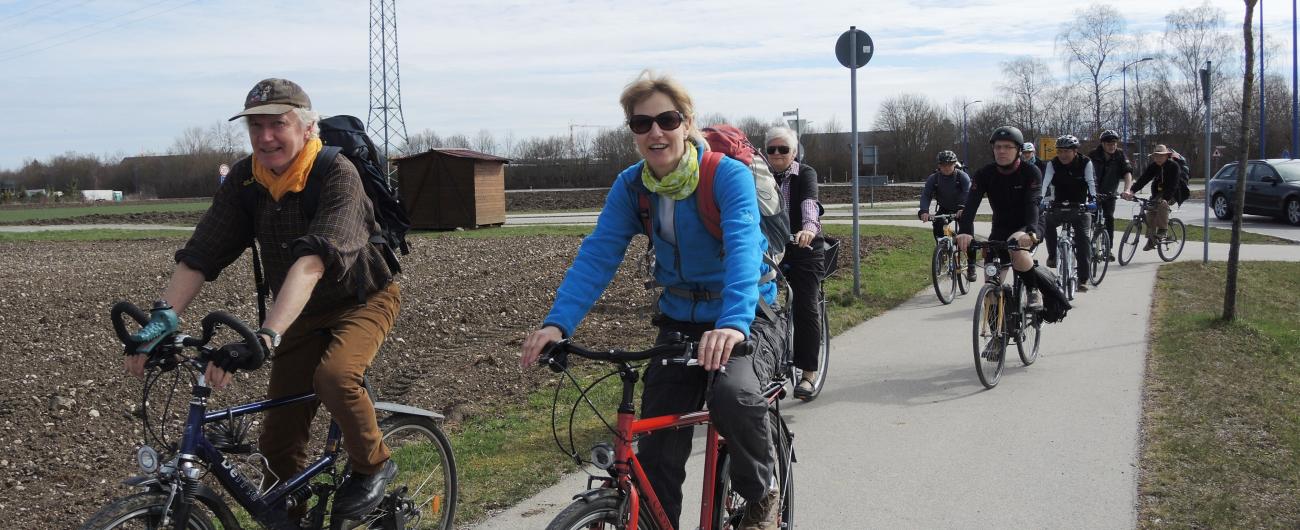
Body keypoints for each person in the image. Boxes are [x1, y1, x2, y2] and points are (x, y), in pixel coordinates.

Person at [124, 78, 401, 521]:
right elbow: (202, 253)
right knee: (276, 445)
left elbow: (313, 261)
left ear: (307, 128)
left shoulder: (336, 174)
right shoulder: (245, 180)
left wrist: (268, 334)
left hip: (360, 299)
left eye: (278, 124)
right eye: (256, 126)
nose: (265, 136)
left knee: (334, 377)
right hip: (299, 313)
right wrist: (163, 319)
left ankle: (374, 466)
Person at [519, 71, 783, 530]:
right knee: (658, 450)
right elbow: (598, 255)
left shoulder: (725, 176)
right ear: (633, 133)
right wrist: (558, 324)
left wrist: (733, 323)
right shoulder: (632, 187)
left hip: (745, 315)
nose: (655, 132)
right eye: (642, 124)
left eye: (667, 119)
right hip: (679, 322)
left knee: (734, 396)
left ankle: (761, 496)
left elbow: (744, 248)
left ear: (687, 123)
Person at [956, 126, 1046, 310]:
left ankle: (1032, 290)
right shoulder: (984, 174)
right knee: (991, 284)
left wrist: (1031, 231)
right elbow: (971, 204)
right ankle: (995, 333)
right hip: (1000, 228)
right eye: (997, 147)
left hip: (1029, 224)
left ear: (1019, 150)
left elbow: (1032, 203)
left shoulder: (1031, 172)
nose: (1001, 151)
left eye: (1007, 147)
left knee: (1016, 245)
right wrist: (965, 231)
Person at [765, 126, 824, 399]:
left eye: (783, 149)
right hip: (771, 248)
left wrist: (809, 228)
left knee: (805, 305)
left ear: (795, 153)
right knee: (757, 305)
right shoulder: (759, 176)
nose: (777, 154)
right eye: (771, 149)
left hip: (804, 246)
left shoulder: (806, 173)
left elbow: (810, 203)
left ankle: (808, 372)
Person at [1040, 134, 1095, 292]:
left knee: (1083, 239)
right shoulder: (1053, 164)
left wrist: (1093, 201)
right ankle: (1052, 256)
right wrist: (1041, 201)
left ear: (1075, 151)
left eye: (1066, 151)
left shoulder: (1085, 162)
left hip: (1080, 207)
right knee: (1047, 222)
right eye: (1060, 151)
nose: (1063, 155)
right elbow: (1045, 183)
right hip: (1059, 205)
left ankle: (1083, 279)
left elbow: (1091, 182)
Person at [918, 149, 977, 282]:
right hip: (945, 207)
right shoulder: (934, 178)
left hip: (962, 208)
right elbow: (926, 195)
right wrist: (924, 211)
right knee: (937, 226)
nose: (946, 167)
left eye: (949, 164)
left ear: (954, 164)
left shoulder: (962, 176)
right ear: (939, 165)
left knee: (968, 235)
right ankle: (942, 250)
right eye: (943, 165)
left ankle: (971, 266)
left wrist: (963, 208)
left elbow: (968, 193)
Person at [1087, 129, 1134, 260]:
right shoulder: (1093, 155)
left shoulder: (1120, 155)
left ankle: (1108, 249)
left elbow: (1127, 173)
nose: (1112, 146)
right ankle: (1089, 245)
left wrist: (1127, 190)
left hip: (1109, 194)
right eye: (1108, 143)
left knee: (1109, 219)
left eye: (1114, 143)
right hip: (1093, 193)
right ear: (1102, 144)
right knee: (1090, 218)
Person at [1124, 144, 1181, 250]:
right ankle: (1151, 240)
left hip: (1173, 193)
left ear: (1166, 156)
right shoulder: (1154, 166)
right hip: (1158, 193)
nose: (1158, 158)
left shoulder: (1173, 166)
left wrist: (1166, 199)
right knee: (1150, 212)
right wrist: (1132, 191)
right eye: (1156, 156)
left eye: (1161, 156)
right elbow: (1143, 179)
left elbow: (1174, 185)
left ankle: (1163, 230)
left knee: (1161, 204)